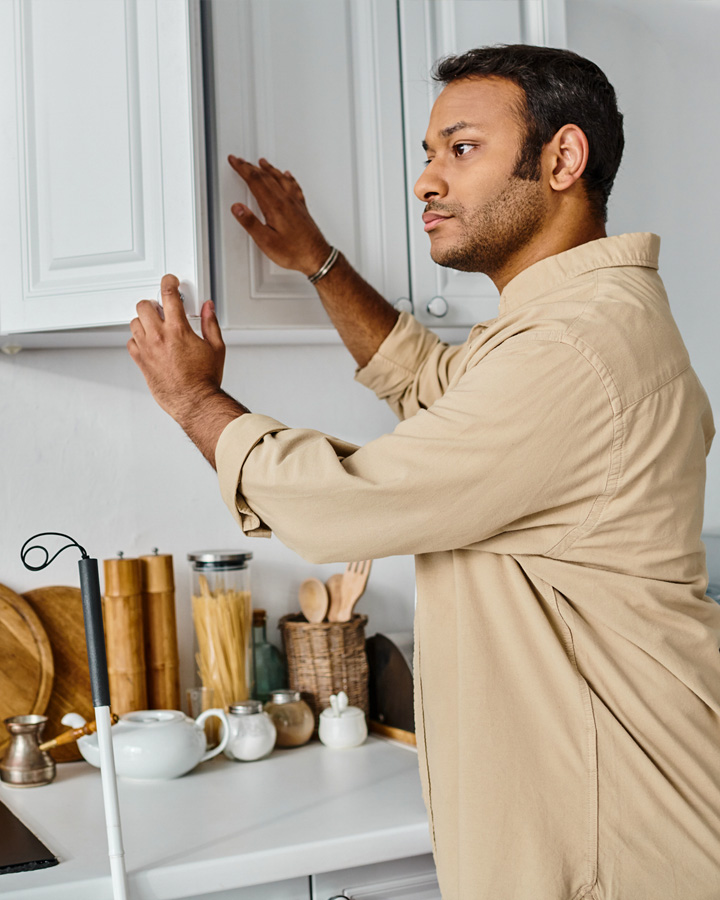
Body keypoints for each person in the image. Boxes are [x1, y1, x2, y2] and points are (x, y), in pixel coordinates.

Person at [128, 44, 720, 900]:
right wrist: (321, 264)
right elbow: (427, 381)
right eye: (428, 153)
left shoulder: (574, 349)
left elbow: (339, 506)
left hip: (614, 839)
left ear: (562, 158)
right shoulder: (568, 323)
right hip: (607, 815)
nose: (426, 182)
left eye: (462, 147)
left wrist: (193, 402)